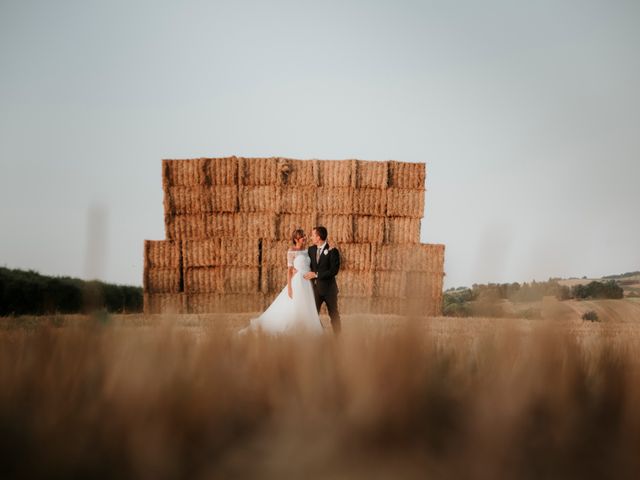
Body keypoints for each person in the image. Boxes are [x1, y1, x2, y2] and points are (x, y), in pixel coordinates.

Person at [240, 229, 323, 335]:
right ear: (296, 239)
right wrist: (289, 287)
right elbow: (289, 270)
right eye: (302, 237)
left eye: (305, 236)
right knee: (295, 305)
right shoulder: (291, 251)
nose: (305, 238)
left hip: (307, 282)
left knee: (307, 306)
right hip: (297, 282)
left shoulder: (307, 251)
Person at [304, 226, 341, 335]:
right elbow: (307, 264)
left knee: (333, 314)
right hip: (316, 289)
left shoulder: (332, 250)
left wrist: (316, 274)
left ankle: (338, 338)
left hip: (330, 290)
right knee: (312, 315)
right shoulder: (311, 250)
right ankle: (318, 335)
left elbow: (334, 271)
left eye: (313, 235)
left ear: (318, 237)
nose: (311, 237)